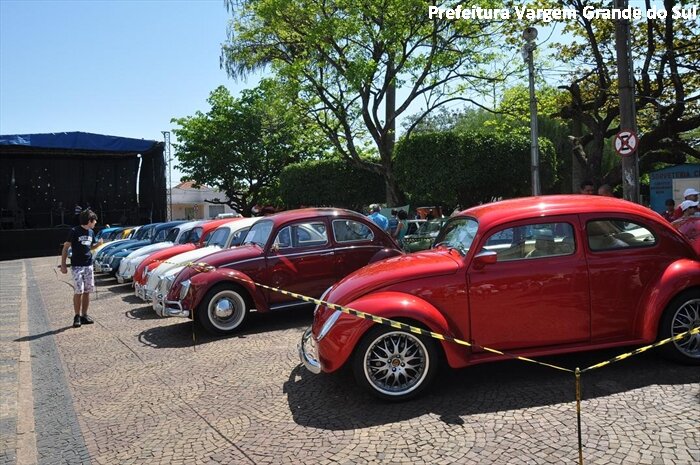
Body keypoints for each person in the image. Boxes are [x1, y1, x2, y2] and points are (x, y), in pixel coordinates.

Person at [60, 209, 103, 328]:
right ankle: (77, 316)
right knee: (78, 290)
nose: (95, 223)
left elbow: (90, 246)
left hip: (88, 265)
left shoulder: (91, 233)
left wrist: (98, 245)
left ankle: (84, 315)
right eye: (94, 221)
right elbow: (65, 248)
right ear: (89, 221)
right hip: (77, 266)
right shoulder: (74, 231)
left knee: (87, 291)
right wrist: (63, 264)